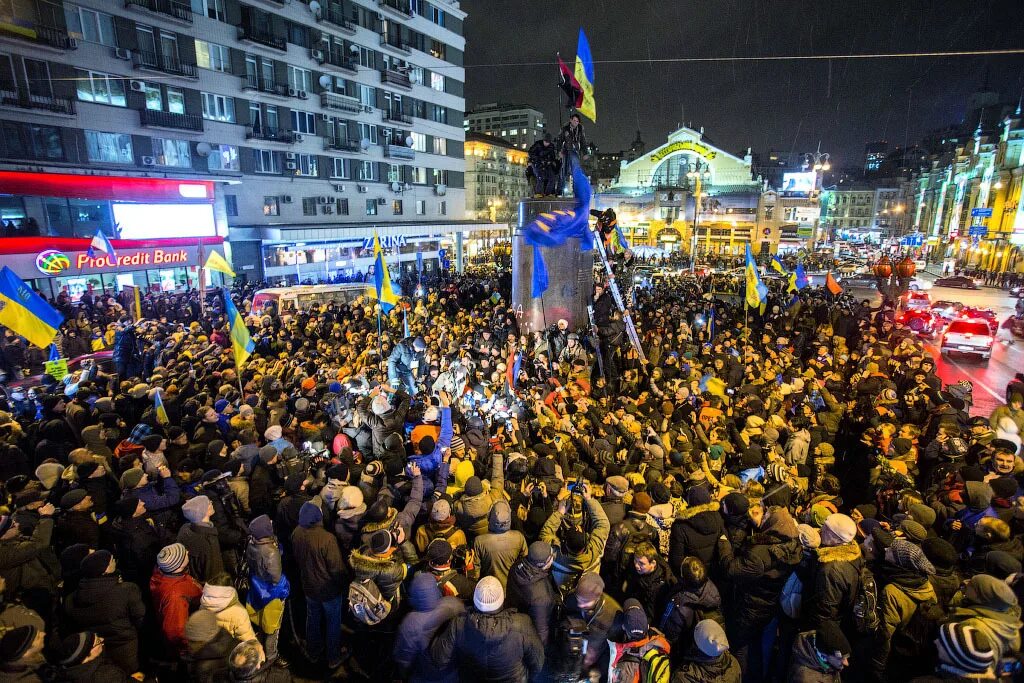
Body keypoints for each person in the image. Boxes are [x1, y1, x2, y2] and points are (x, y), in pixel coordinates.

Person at [430, 575, 545, 682]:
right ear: (502, 600)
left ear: (475, 600)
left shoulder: (458, 624)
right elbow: (537, 662)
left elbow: (440, 659)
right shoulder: (522, 624)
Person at [290, 501, 346, 671]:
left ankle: (313, 651)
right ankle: (333, 657)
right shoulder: (327, 539)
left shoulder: (296, 533)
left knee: (312, 618)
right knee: (333, 622)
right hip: (328, 590)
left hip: (309, 586)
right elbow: (336, 568)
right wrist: (343, 584)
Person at [393, 572, 464, 682]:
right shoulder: (453, 604)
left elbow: (404, 658)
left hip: (425, 676)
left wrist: (404, 676)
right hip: (454, 673)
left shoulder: (410, 624)